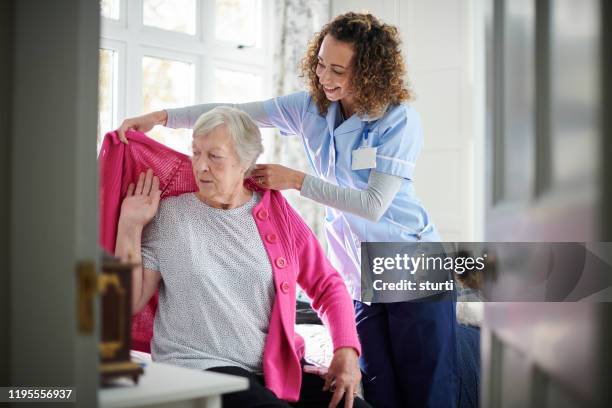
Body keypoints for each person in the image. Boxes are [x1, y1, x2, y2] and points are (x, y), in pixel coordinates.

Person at [117, 12, 457, 408]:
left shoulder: (398, 120)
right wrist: (161, 117)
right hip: (357, 266)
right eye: (320, 64)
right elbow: (235, 111)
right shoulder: (310, 108)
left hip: (411, 260)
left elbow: (373, 206)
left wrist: (295, 180)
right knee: (379, 388)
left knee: (428, 390)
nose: (325, 77)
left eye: (338, 70)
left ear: (368, 72)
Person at [114, 107, 371, 408]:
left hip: (272, 372)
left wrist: (346, 352)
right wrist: (129, 226)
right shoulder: (170, 215)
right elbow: (128, 302)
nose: (201, 166)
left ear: (245, 163)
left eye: (215, 156)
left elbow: (327, 284)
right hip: (199, 367)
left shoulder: (277, 213)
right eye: (196, 152)